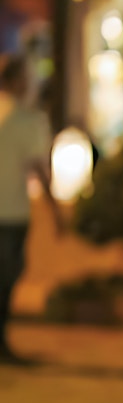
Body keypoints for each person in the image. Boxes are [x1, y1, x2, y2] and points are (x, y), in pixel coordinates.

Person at [0, 55, 60, 365]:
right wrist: (55, 210)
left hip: (11, 209)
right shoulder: (27, 119)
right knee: (7, 275)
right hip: (10, 211)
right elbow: (38, 167)